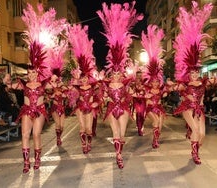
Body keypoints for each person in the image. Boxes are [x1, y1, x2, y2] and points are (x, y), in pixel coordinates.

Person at [12, 3, 67, 174]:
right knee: (24, 135)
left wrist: (56, 79)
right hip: (27, 110)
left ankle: (37, 158)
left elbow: (56, 85)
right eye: (31, 73)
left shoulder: (44, 83)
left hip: (40, 110)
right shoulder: (22, 83)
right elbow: (11, 86)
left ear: (38, 73)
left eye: (35, 73)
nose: (33, 75)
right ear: (28, 73)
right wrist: (8, 82)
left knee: (36, 135)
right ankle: (26, 162)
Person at [97, 1, 143, 169]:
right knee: (115, 133)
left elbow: (133, 94)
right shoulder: (106, 83)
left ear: (121, 72)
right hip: (111, 108)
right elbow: (101, 95)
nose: (116, 74)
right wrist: (101, 98)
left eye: (118, 72)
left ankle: (120, 150)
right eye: (114, 72)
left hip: (123, 108)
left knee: (122, 135)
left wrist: (140, 95)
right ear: (111, 72)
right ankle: (118, 155)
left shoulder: (126, 83)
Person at [173, 1, 213, 165]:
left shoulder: (203, 83)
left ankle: (194, 148)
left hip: (199, 109)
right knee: (196, 130)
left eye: (197, 71)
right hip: (187, 108)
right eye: (192, 72)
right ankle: (195, 154)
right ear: (189, 73)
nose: (195, 74)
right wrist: (177, 88)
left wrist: (201, 106)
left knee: (202, 134)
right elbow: (178, 89)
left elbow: (202, 98)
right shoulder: (185, 83)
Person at [67, 23, 99, 154]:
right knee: (81, 127)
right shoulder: (77, 85)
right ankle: (84, 144)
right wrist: (72, 84)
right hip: (80, 107)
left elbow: (100, 93)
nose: (84, 79)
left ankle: (89, 141)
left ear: (88, 77)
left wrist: (98, 102)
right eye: (82, 77)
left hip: (90, 107)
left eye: (86, 77)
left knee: (89, 129)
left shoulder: (93, 85)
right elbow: (71, 94)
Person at [140, 24, 166, 147]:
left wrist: (169, 88)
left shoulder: (161, 89)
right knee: (155, 121)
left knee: (159, 126)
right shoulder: (147, 89)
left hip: (159, 108)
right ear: (150, 82)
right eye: (153, 82)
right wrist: (145, 95)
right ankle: (155, 142)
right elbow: (142, 94)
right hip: (150, 108)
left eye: (157, 81)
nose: (155, 83)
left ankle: (155, 138)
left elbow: (167, 91)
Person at [131, 71, 147, 136]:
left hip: (143, 100)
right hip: (136, 100)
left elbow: (147, 90)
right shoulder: (133, 83)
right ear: (136, 75)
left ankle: (141, 124)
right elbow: (131, 91)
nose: (139, 76)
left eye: (141, 75)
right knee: (138, 113)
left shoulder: (145, 82)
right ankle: (139, 129)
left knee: (142, 114)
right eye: (138, 75)